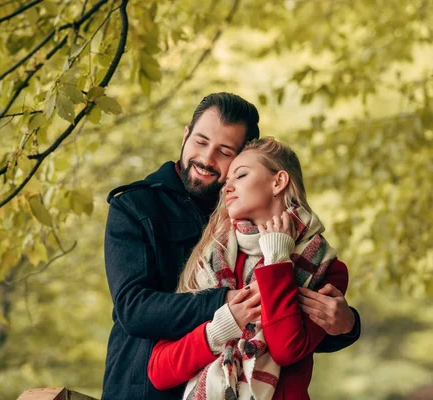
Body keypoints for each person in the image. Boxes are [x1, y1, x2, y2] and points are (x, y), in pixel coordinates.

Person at [102, 93, 360, 400]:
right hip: (144, 390)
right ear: (185, 135)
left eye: (225, 153)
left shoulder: (250, 214)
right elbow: (133, 309)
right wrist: (225, 306)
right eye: (200, 141)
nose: (207, 159)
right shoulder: (136, 206)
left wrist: (347, 325)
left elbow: (288, 332)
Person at [148, 137, 346, 399]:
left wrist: (277, 255)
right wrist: (222, 328)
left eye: (240, 175)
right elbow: (159, 370)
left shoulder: (325, 268)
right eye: (226, 181)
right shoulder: (209, 261)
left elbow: (286, 348)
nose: (226, 188)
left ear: (278, 182)